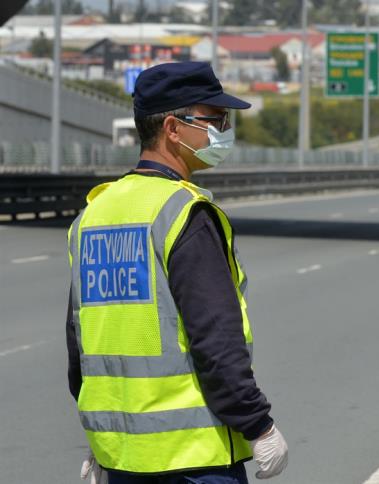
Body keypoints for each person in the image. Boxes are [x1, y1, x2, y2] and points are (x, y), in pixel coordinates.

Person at [65, 62, 288, 483]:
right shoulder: (184, 213)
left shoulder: (93, 214)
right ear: (172, 126)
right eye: (214, 119)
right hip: (194, 460)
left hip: (123, 460)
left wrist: (101, 446)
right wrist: (258, 425)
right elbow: (215, 338)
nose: (223, 129)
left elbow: (80, 347)